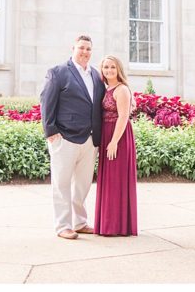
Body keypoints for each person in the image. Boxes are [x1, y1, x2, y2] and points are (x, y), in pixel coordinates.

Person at [39, 34, 105, 240]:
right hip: (64, 137)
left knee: (83, 184)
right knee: (62, 183)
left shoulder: (96, 75)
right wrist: (50, 132)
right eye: (81, 48)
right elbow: (46, 101)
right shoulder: (58, 72)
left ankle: (80, 222)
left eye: (88, 49)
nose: (85, 52)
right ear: (73, 48)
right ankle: (63, 225)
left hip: (90, 139)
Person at [94, 54, 138, 236]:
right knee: (108, 180)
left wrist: (113, 142)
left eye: (112, 67)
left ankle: (117, 226)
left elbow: (123, 116)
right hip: (107, 134)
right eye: (106, 67)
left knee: (116, 179)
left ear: (118, 69)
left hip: (118, 136)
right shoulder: (106, 88)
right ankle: (107, 224)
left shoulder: (122, 90)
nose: (109, 70)